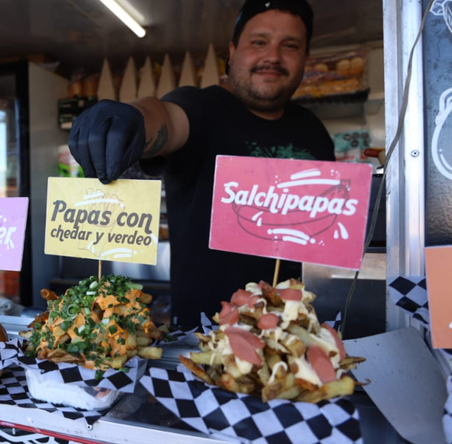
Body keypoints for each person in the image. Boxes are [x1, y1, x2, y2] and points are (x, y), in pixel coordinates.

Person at [68, 0, 334, 328]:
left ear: (305, 57)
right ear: (233, 51)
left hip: (296, 333)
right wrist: (134, 119)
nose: (273, 57)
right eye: (259, 42)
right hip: (203, 337)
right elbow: (164, 118)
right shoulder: (203, 108)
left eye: (290, 45)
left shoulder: (315, 130)